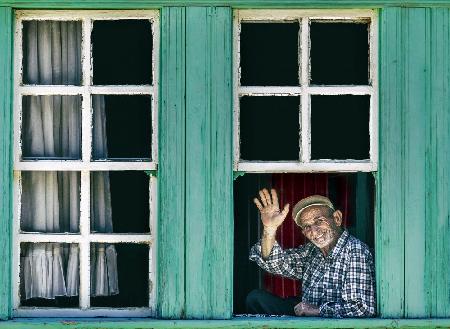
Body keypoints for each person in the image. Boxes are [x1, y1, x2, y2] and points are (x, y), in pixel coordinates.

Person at [247, 188, 376, 318]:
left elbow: (361, 308)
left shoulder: (355, 251)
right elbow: (275, 262)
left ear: (337, 218)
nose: (313, 232)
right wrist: (270, 229)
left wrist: (317, 310)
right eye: (307, 227)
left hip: (332, 323)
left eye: (319, 221)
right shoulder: (311, 251)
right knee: (256, 299)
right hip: (305, 314)